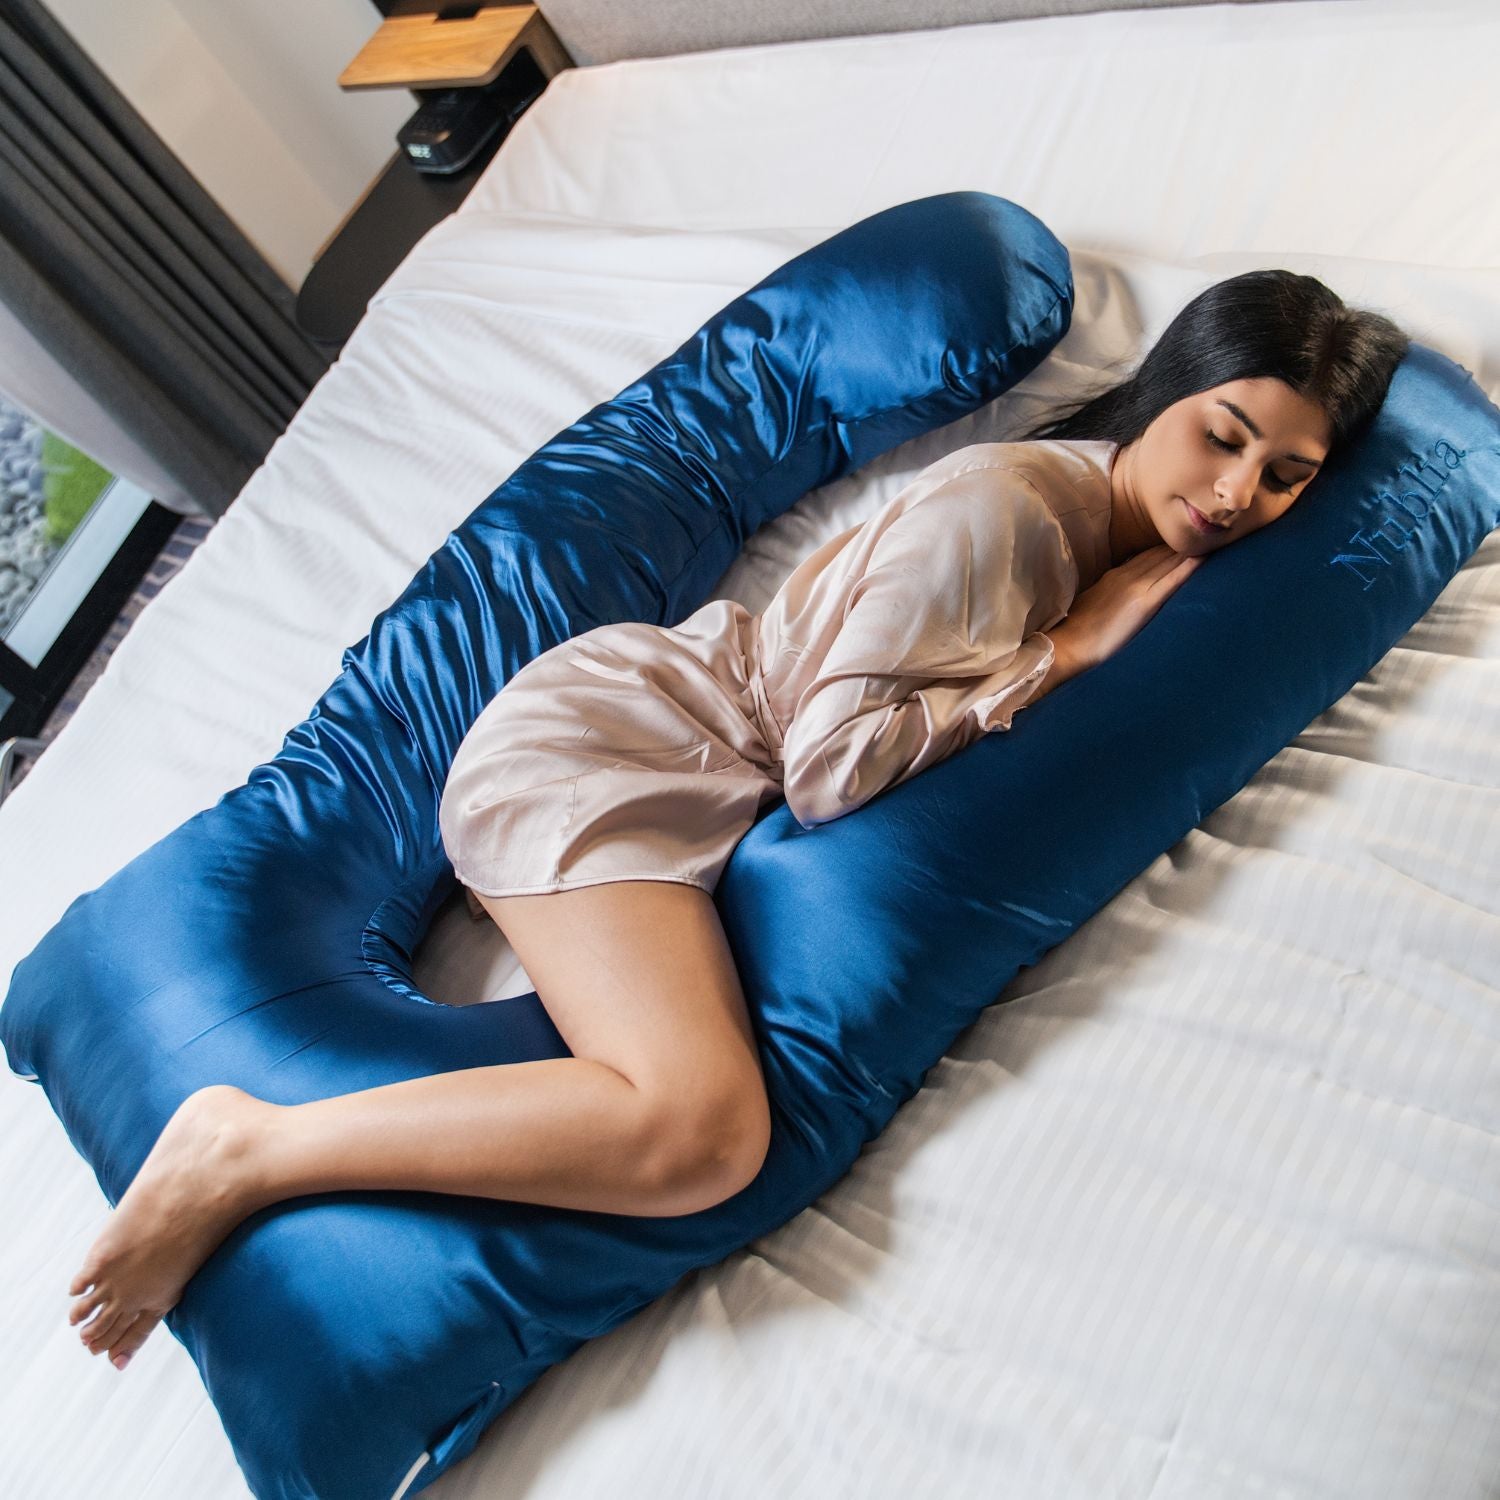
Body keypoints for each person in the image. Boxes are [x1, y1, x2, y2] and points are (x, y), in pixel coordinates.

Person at [64, 270, 1408, 1372]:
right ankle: (249, 1144)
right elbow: (830, 771)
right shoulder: (1017, 514)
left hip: (676, 770)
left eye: (1287, 477)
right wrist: (1063, 659)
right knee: (703, 1132)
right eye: (1224, 434)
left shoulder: (1120, 534)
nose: (1238, 496)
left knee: (677, 1110)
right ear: (1167, 391)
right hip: (613, 755)